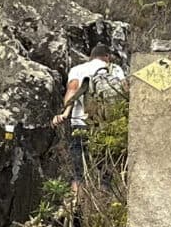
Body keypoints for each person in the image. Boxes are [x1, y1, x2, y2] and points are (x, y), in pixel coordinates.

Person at [50, 35, 127, 187]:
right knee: (105, 170)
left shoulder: (78, 70)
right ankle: (104, 199)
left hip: (80, 124)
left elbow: (72, 91)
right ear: (107, 57)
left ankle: (76, 203)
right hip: (106, 126)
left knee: (78, 172)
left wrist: (65, 113)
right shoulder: (115, 69)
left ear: (90, 57)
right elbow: (124, 91)